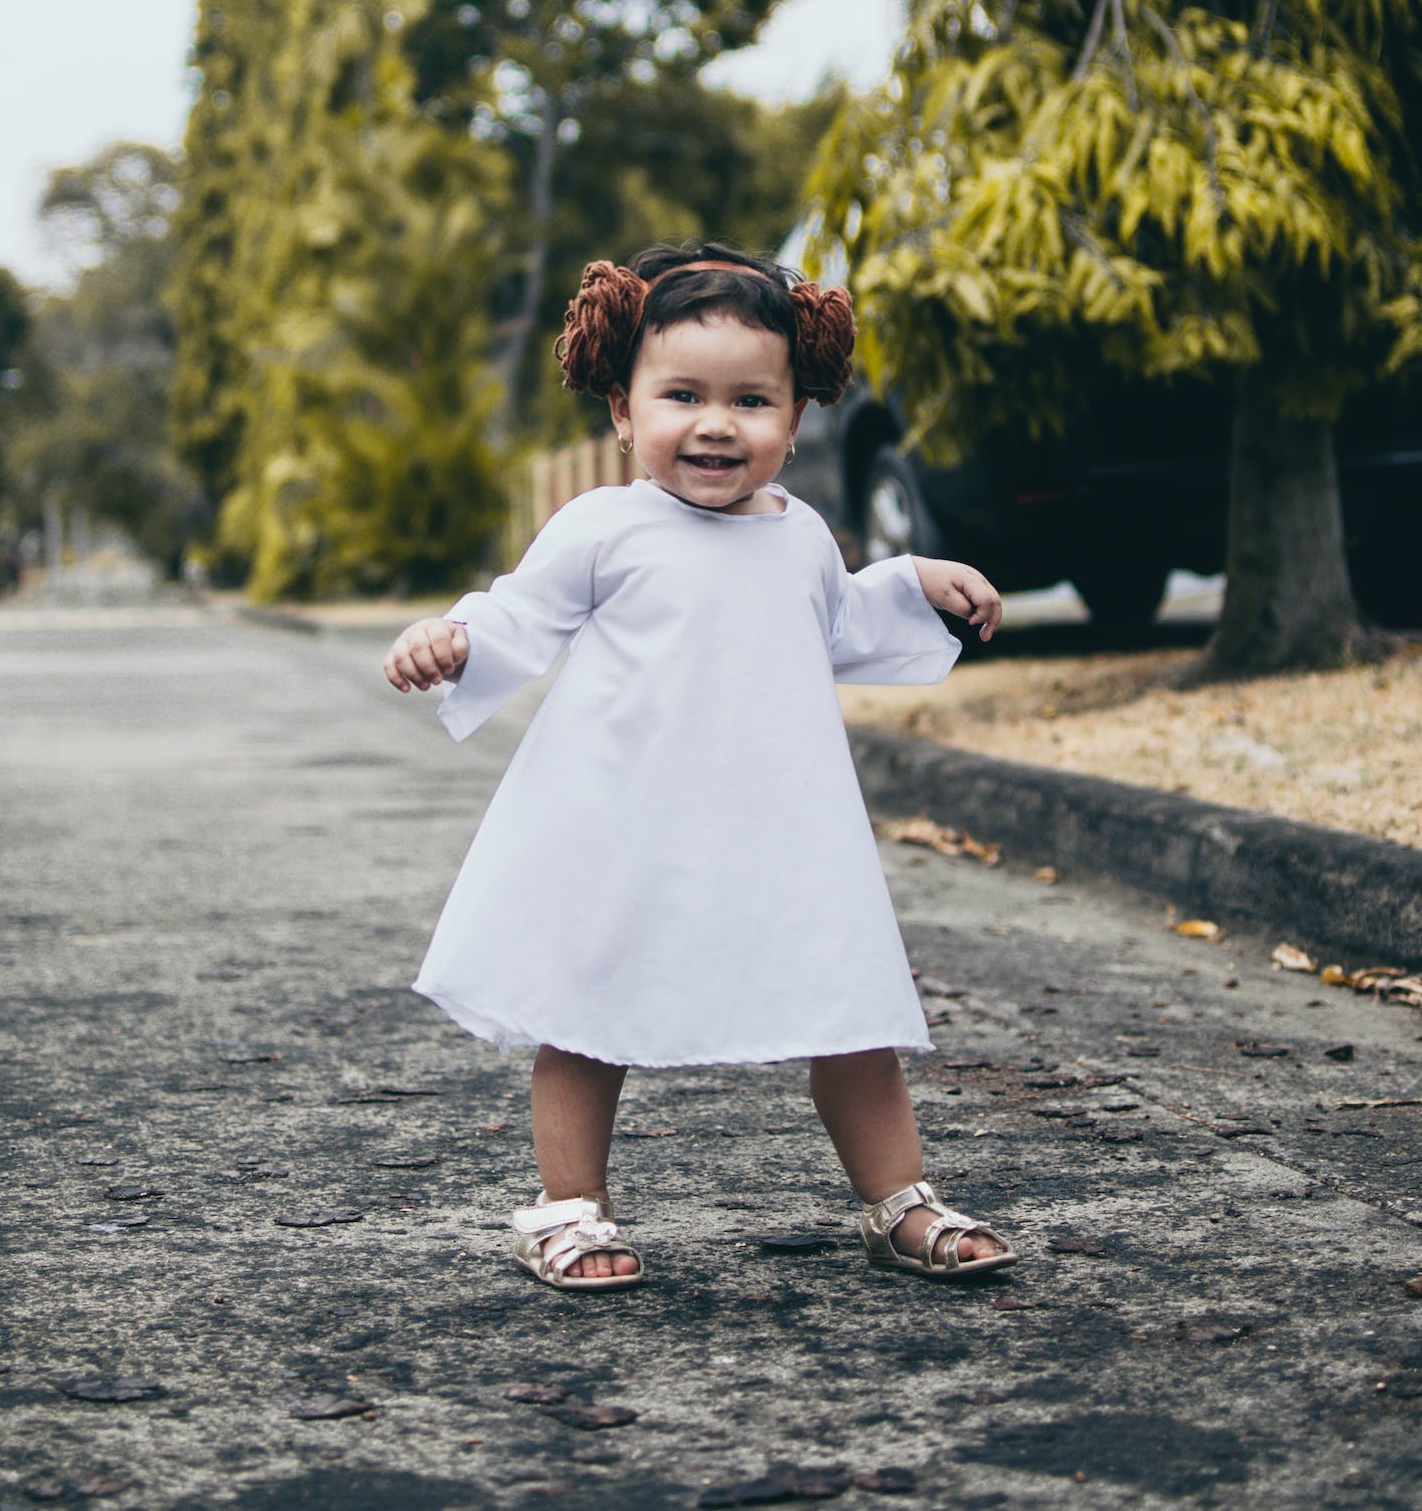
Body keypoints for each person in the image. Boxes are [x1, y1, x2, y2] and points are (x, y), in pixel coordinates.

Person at [383, 242, 1017, 1294]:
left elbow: (843, 620)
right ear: (624, 411)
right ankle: (568, 1208)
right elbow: (517, 614)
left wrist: (917, 581)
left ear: (794, 418)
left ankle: (900, 1201)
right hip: (628, 822)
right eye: (682, 394)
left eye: (751, 400)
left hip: (782, 828)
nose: (717, 423)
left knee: (848, 1006)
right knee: (588, 1011)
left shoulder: (802, 533)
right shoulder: (603, 526)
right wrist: (450, 641)